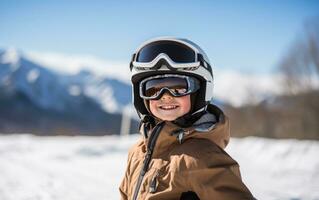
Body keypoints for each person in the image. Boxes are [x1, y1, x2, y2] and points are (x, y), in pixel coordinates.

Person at [119, 37, 255, 200]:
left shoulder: (202, 158)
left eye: (178, 87)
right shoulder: (137, 152)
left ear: (199, 92)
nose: (166, 97)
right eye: (153, 89)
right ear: (142, 98)